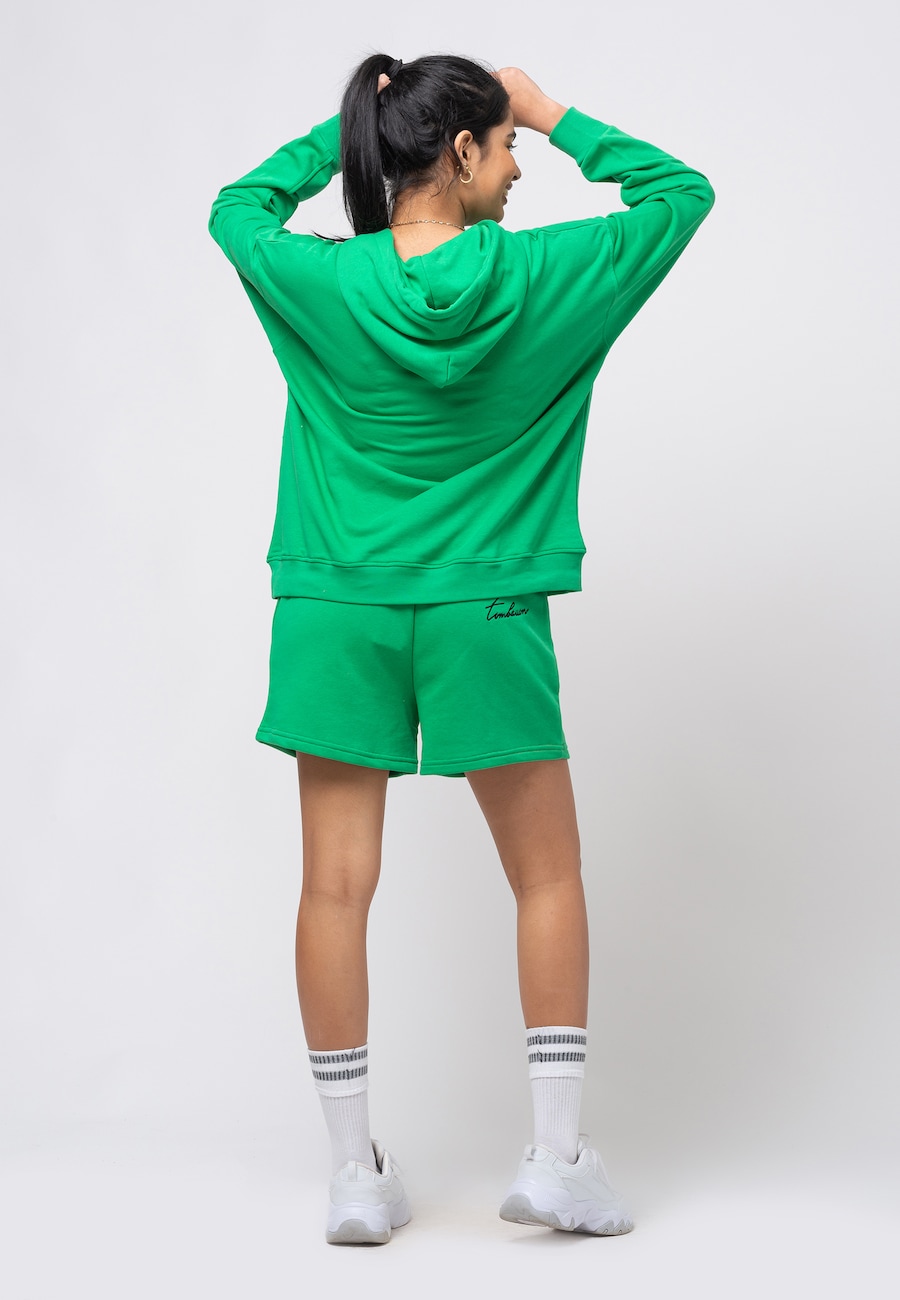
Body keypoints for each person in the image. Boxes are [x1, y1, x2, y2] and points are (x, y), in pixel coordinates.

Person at [208, 52, 714, 1246]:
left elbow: (236, 209)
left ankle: (353, 1175)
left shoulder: (322, 280)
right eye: (509, 143)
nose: (522, 163)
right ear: (466, 150)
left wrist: (358, 128)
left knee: (334, 884)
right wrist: (552, 105)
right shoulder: (543, 274)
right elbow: (680, 193)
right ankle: (556, 1157)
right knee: (546, 875)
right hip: (487, 608)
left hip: (336, 609)